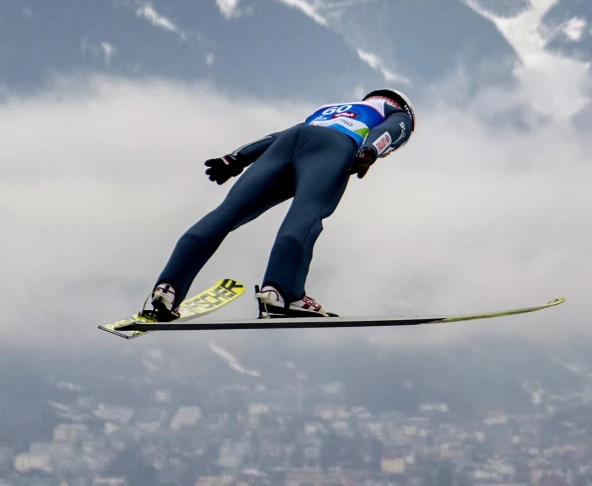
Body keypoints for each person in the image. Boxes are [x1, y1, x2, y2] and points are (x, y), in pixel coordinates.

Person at [144, 88, 415, 320]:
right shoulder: (397, 112)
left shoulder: (331, 109)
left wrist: (236, 158)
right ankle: (281, 292)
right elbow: (389, 130)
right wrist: (370, 151)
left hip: (291, 141)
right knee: (305, 214)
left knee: (224, 214)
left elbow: (277, 136)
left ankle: (167, 289)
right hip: (333, 148)